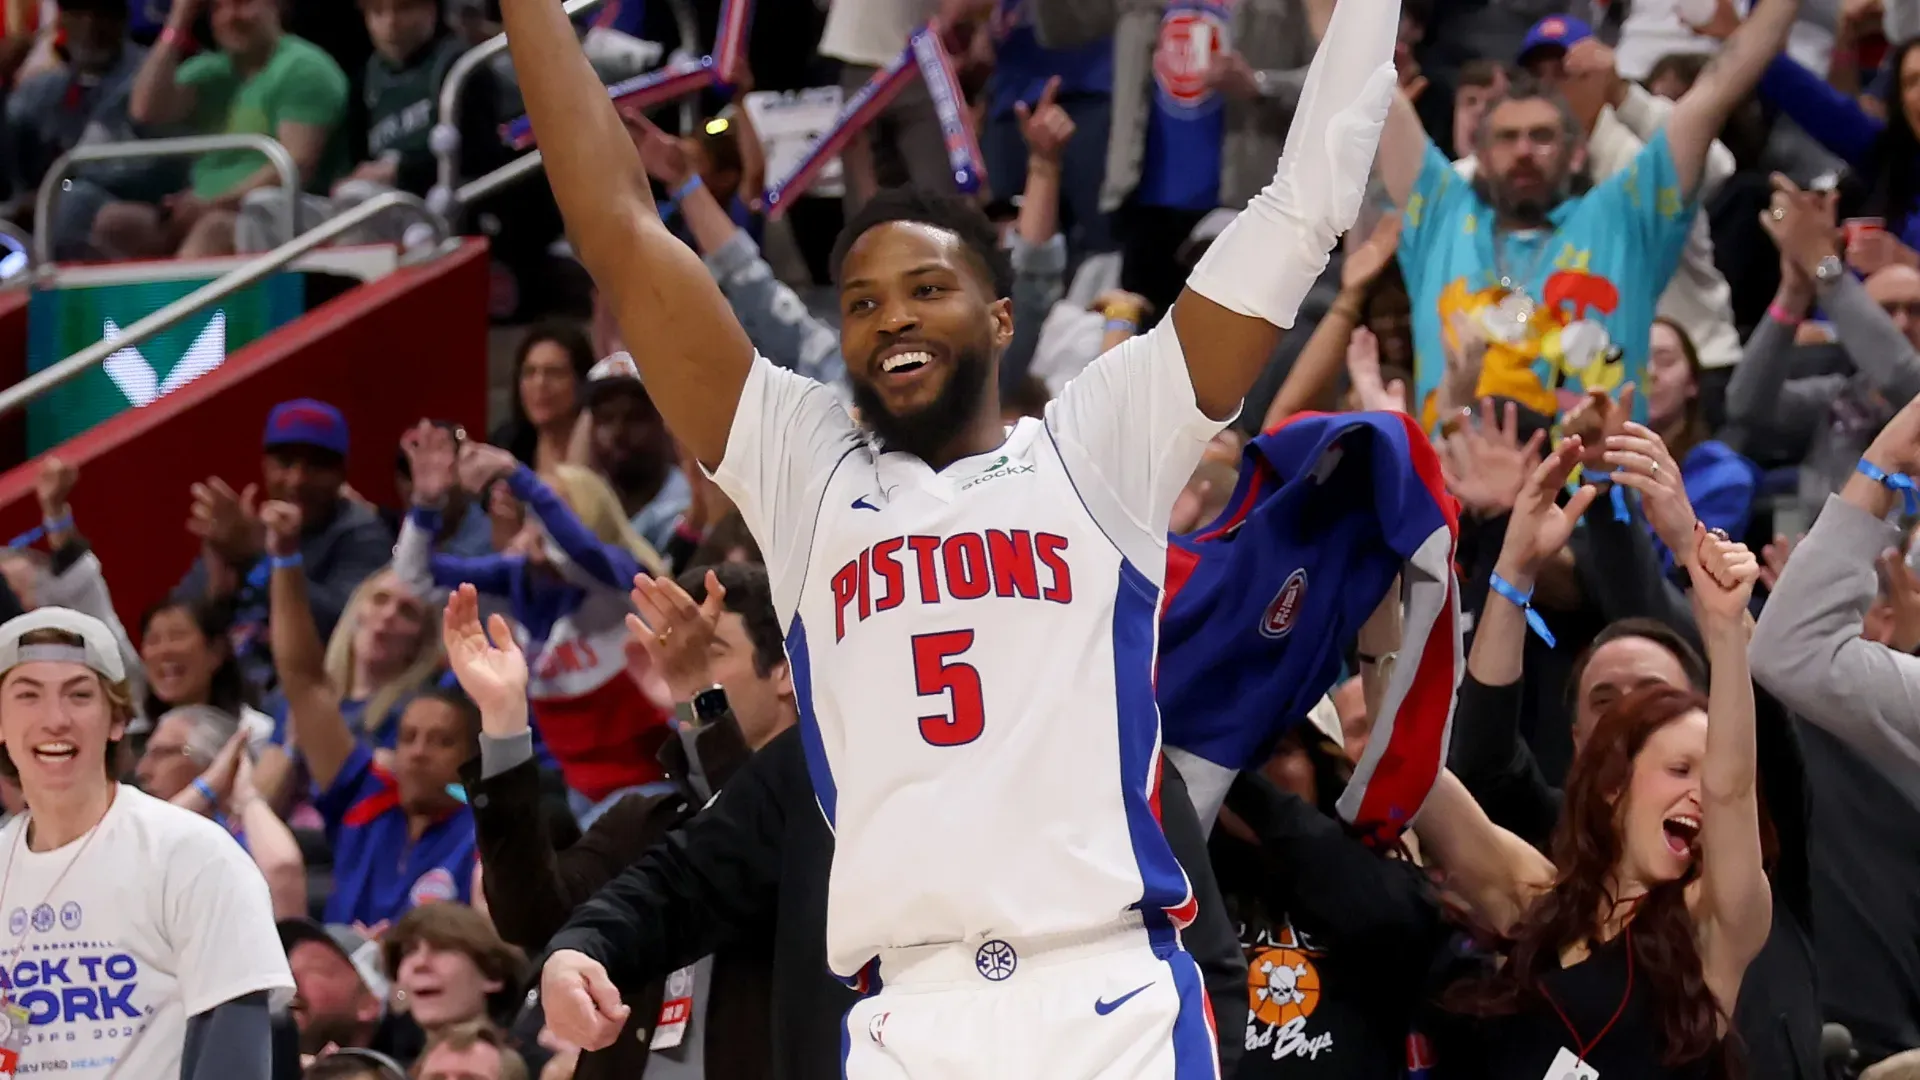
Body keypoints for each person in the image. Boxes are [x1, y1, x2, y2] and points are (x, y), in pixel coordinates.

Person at [499, 0, 1398, 1065]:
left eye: (929, 289)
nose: (895, 319)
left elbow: (1302, 209)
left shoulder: (1100, 440)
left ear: (1002, 316)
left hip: (1104, 997)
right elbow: (618, 226)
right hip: (907, 1010)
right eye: (863, 304)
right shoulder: (805, 468)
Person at [1374, 0, 1794, 427]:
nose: (1523, 151)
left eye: (1542, 137)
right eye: (1507, 138)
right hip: (1451, 486)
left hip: (1590, 487)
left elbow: (1715, 93)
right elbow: (1365, 70)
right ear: (1479, 155)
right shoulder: (1441, 218)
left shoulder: (1623, 221)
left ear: (1577, 153)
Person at [0, 607, 294, 1077]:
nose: (55, 719)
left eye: (79, 695)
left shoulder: (195, 856)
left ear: (117, 720)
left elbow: (235, 1061)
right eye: (28, 696)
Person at [266, 500, 479, 924]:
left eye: (441, 742)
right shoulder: (367, 797)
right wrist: (287, 557)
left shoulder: (481, 830)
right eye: (408, 738)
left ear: (472, 760)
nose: (417, 752)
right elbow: (303, 681)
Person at [103, 0, 350, 258]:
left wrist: (211, 205)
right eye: (219, 7)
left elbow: (296, 165)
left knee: (213, 229)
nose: (231, 16)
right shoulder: (211, 70)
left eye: (242, 3)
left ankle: (172, 299)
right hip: (204, 208)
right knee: (116, 224)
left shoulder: (303, 67)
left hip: (282, 216)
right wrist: (178, 21)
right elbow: (145, 110)